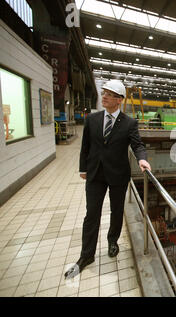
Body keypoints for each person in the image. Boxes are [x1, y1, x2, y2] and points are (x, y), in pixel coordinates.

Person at [65, 79, 151, 279]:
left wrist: (143, 160)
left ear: (119, 100)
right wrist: (83, 168)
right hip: (95, 174)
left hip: (117, 174)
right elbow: (85, 146)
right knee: (91, 214)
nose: (104, 96)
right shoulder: (92, 119)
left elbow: (137, 145)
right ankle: (86, 255)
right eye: (104, 92)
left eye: (110, 94)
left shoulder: (129, 123)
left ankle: (113, 241)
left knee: (116, 210)